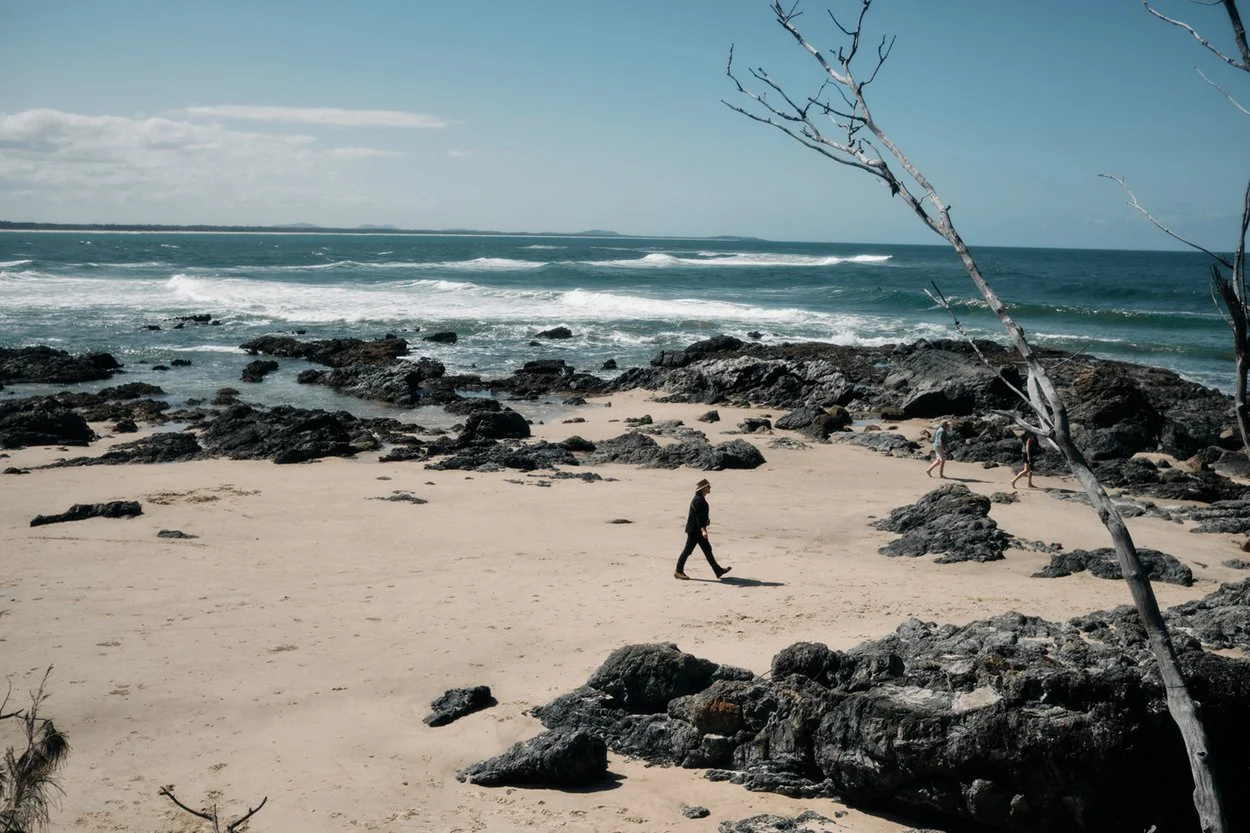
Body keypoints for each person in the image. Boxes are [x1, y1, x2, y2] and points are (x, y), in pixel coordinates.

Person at [674, 478, 731, 581]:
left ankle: (717, 570)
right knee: (688, 550)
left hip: (695, 529)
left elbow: (699, 516)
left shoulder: (699, 499)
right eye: (708, 486)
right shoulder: (699, 500)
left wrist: (705, 523)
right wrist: (703, 530)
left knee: (707, 549)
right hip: (695, 530)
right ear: (703, 489)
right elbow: (699, 518)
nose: (710, 487)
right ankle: (678, 571)